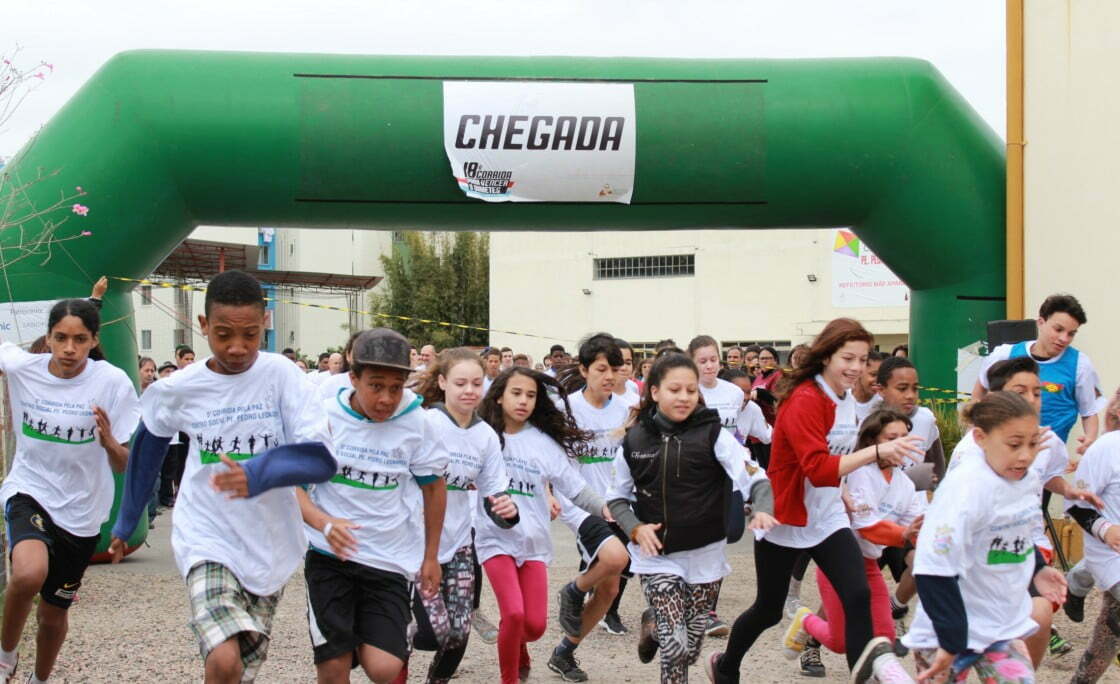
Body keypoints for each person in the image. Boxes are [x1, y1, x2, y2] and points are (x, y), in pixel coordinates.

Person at [109, 270, 337, 683]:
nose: (237, 347)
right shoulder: (180, 387)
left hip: (270, 543)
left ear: (265, 323)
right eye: (223, 334)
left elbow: (320, 460)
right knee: (223, 660)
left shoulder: (283, 377)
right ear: (202, 327)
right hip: (207, 534)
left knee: (238, 672)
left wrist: (260, 472)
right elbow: (148, 448)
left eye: (250, 335)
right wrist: (127, 521)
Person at [707, 318, 922, 684]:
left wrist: (843, 493)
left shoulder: (846, 398)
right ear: (826, 356)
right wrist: (877, 451)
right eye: (847, 359)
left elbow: (835, 459)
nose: (855, 368)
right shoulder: (806, 399)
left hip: (828, 516)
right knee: (769, 609)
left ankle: (862, 677)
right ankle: (725, 667)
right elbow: (818, 467)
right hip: (786, 516)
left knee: (857, 596)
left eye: (861, 359)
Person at [609, 353, 776, 684]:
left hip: (706, 557)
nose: (684, 397)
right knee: (676, 646)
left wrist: (762, 506)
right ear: (655, 392)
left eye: (690, 390)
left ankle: (653, 627)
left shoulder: (714, 436)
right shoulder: (634, 440)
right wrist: (635, 528)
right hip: (657, 558)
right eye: (675, 389)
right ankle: (662, 629)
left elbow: (753, 474)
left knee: (691, 647)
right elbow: (616, 498)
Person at [0, 299, 141, 684]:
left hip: (81, 511)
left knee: (52, 614)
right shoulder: (22, 366)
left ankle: (39, 679)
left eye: (80, 340)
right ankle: (4, 657)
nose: (69, 349)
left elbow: (125, 463)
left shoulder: (111, 382)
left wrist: (110, 441)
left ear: (94, 341)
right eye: (60, 338)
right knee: (28, 574)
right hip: (29, 489)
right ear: (48, 338)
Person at [296, 328, 448, 684]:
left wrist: (430, 556)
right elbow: (295, 490)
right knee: (334, 668)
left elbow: (434, 490)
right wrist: (325, 523)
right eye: (375, 386)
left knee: (384, 668)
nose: (386, 398)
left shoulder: (417, 422)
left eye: (396, 388)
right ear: (353, 378)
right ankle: (340, 646)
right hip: (329, 557)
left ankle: (360, 637)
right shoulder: (324, 419)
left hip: (389, 559)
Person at [902, 391, 1067, 684]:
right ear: (980, 438)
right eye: (1014, 444)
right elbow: (932, 566)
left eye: (1033, 443)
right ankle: (884, 668)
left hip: (1000, 628)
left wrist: (1038, 569)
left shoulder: (1025, 477)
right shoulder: (966, 488)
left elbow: (1018, 530)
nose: (1026, 455)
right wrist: (951, 639)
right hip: (946, 630)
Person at [951, 355, 1099, 664]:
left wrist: (1068, 489)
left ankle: (1020, 673)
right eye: (1020, 392)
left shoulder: (1046, 439)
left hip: (1027, 546)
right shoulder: (972, 450)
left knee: (1039, 614)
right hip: (974, 555)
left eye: (1037, 392)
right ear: (994, 397)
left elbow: (1050, 474)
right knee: (964, 650)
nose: (1032, 400)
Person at [477, 368, 612, 684]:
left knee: (534, 626)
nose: (523, 400)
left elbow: (574, 486)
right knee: (512, 614)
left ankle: (519, 643)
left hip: (534, 543)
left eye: (531, 395)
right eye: (516, 393)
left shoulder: (543, 443)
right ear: (498, 396)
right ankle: (509, 678)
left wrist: (604, 508)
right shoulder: (482, 436)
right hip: (493, 539)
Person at [405, 348, 519, 683]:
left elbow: (494, 488)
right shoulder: (425, 423)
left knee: (458, 634)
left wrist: (505, 508)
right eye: (460, 383)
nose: (469, 390)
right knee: (427, 634)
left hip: (458, 543)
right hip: (414, 541)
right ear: (442, 382)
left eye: (476, 382)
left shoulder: (486, 435)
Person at [785, 409, 923, 664]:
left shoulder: (906, 484)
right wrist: (905, 534)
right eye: (892, 438)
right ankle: (805, 619)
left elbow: (915, 527)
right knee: (840, 643)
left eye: (905, 437)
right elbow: (866, 527)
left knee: (885, 636)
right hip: (838, 563)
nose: (901, 444)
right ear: (872, 442)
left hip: (869, 565)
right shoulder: (860, 473)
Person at [551, 333, 631, 677]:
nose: (609, 376)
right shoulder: (565, 409)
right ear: (584, 370)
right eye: (601, 368)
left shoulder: (628, 408)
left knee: (610, 589)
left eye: (615, 368)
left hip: (617, 504)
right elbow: (548, 457)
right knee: (617, 558)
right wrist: (550, 493)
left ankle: (564, 652)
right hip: (580, 505)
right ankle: (572, 590)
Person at [973, 293, 1100, 453]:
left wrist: (1089, 440)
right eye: (1058, 329)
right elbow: (979, 392)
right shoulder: (1005, 354)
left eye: (1071, 333)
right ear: (1041, 322)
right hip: (1004, 452)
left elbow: (1089, 412)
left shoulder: (1081, 365)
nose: (1064, 338)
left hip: (1048, 457)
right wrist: (974, 429)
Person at [688, 335, 750, 638]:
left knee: (732, 532)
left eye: (713, 359)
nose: (710, 365)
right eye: (703, 361)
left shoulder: (734, 393)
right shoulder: (687, 392)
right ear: (692, 363)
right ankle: (705, 609)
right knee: (706, 542)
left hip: (729, 474)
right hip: (697, 479)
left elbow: (736, 431)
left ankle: (703, 602)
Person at [1063, 388, 1120, 683]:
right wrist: (1105, 529)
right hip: (1110, 554)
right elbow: (1076, 505)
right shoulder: (1106, 449)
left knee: (1109, 630)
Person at [853, 351, 884, 423]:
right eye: (873, 375)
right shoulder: (842, 398)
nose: (878, 380)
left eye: (881, 376)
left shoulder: (883, 402)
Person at [612, 339, 641, 409]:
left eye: (628, 363)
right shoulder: (596, 397)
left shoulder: (636, 400)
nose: (624, 368)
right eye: (618, 362)